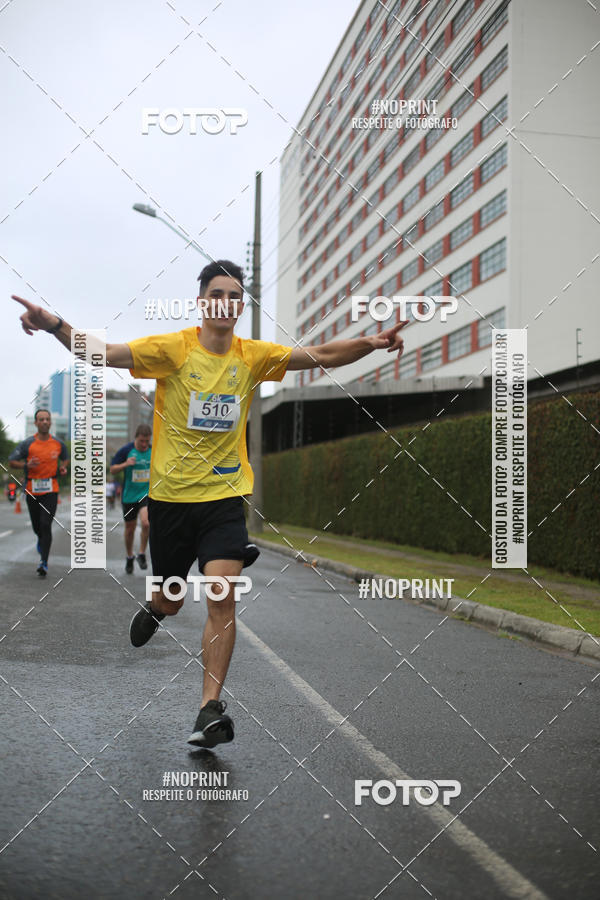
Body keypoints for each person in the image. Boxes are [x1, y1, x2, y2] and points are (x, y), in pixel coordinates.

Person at [12, 260, 406, 747]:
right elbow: (102, 353)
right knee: (174, 598)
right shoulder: (171, 349)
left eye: (235, 295)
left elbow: (320, 353)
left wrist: (371, 343)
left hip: (223, 497)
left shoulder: (253, 356)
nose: (226, 301)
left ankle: (209, 709)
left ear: (241, 306)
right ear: (202, 303)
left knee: (222, 593)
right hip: (172, 502)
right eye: (216, 293)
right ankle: (157, 607)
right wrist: (53, 323)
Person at [8, 409, 68, 576]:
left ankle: (44, 562)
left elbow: (65, 457)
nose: (44, 422)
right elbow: (12, 461)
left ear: (50, 423)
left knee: (45, 524)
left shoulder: (58, 443)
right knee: (37, 526)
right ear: (36, 423)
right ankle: (40, 540)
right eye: (41, 419)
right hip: (32, 490)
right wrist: (26, 465)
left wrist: (63, 467)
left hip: (51, 490)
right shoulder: (28, 444)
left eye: (47, 419)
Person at [110, 425, 152, 573]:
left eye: (147, 441)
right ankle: (129, 556)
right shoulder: (126, 450)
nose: (144, 445)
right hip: (129, 496)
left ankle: (141, 553)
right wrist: (125, 464)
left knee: (146, 524)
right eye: (141, 441)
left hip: (145, 494)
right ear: (136, 438)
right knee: (130, 529)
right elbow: (112, 469)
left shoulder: (153, 451)